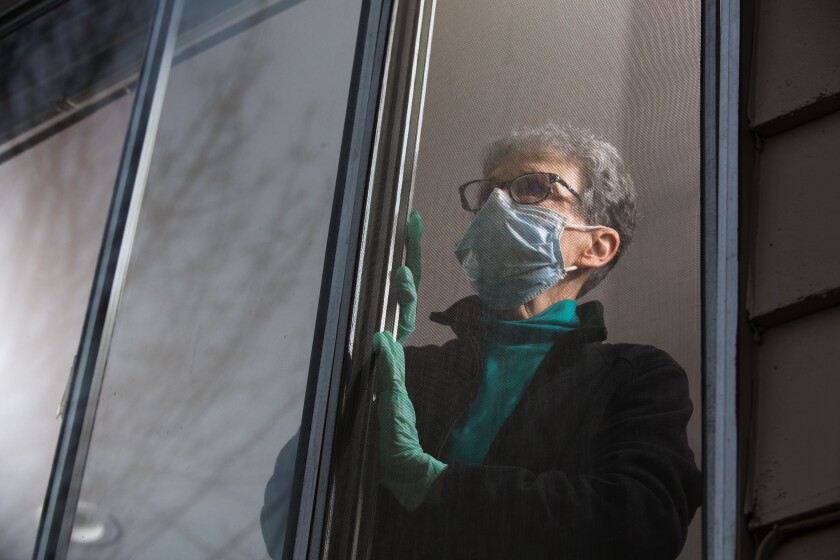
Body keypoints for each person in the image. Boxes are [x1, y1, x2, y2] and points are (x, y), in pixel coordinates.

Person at [370, 123, 702, 559]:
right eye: (488, 194)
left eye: (532, 187)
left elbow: (640, 522)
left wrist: (439, 484)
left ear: (597, 246)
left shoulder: (633, 378)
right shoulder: (413, 372)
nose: (497, 207)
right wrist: (369, 345)